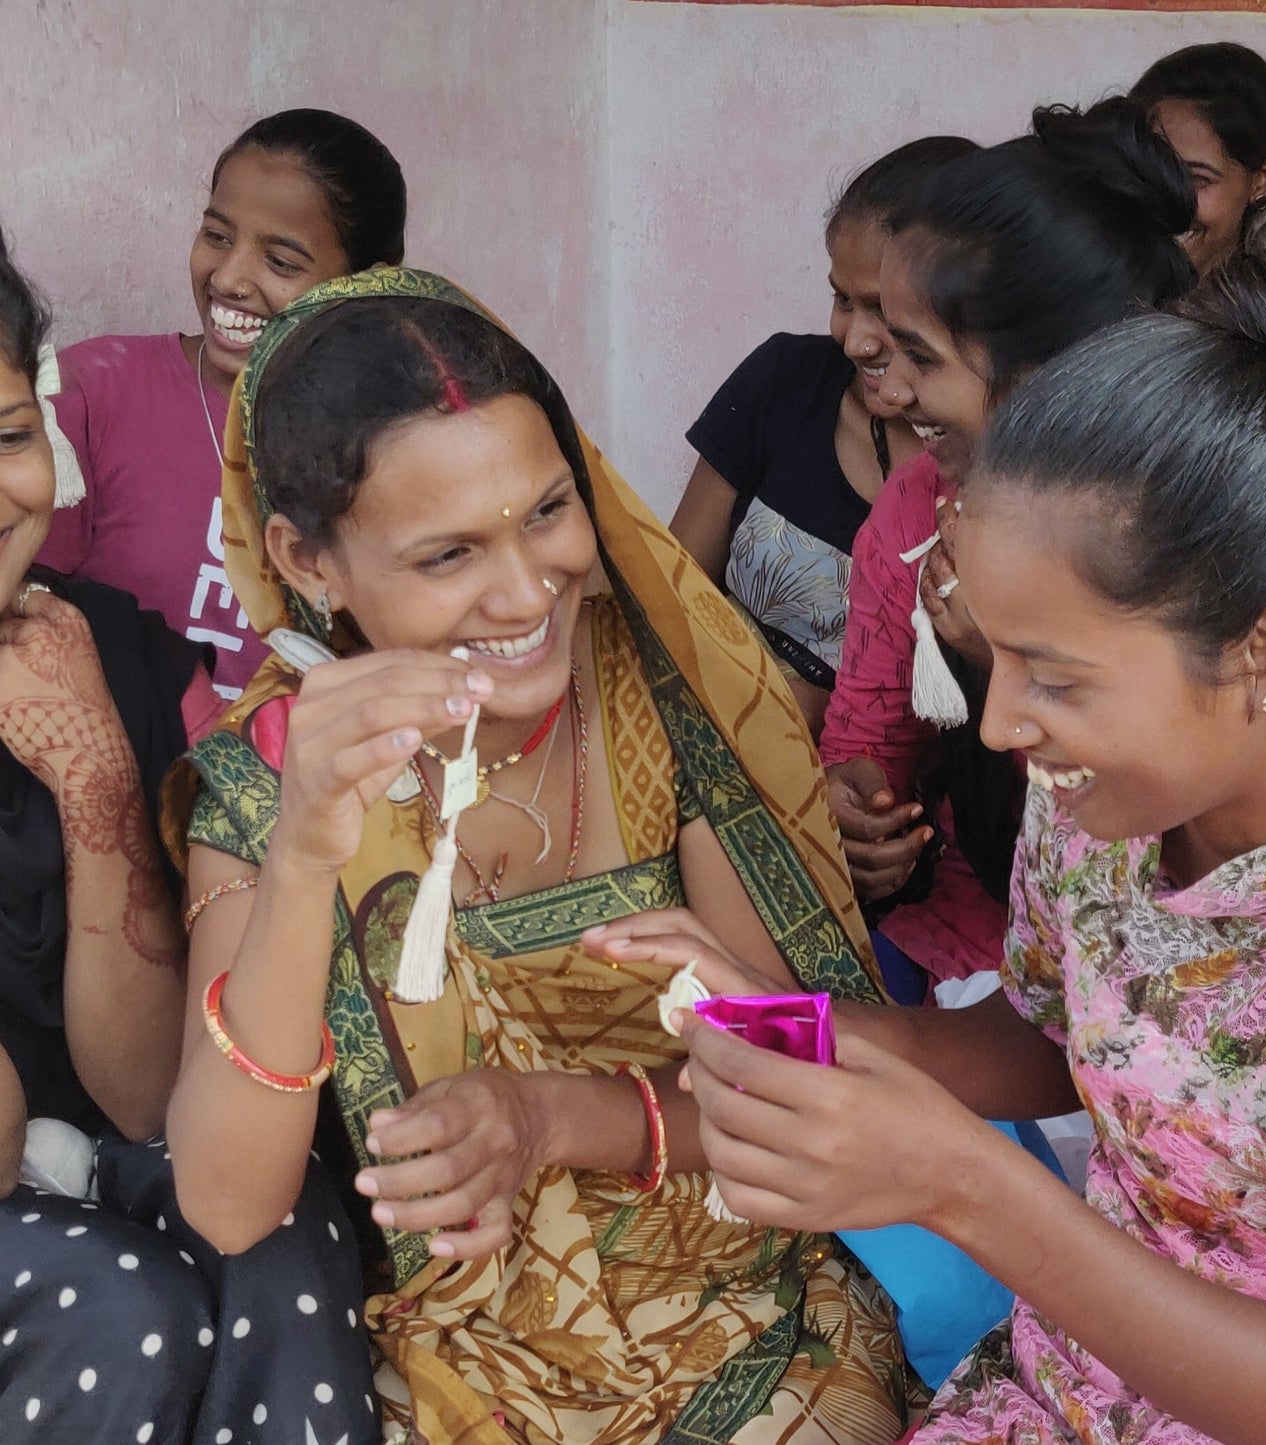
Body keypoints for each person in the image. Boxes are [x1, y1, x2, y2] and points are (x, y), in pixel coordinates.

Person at [631, 218, 1266, 1444]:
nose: (1002, 722)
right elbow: (1053, 1034)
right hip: (1064, 1391)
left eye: (1052, 675)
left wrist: (963, 1183)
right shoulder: (1104, 797)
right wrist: (800, 1027)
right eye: (992, 654)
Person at [164, 267, 910, 1445]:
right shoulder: (273, 776)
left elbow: (797, 1082)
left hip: (752, 1312)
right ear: (308, 563)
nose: (527, 588)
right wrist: (308, 853)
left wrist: (553, 1118)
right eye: (447, 554)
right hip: (461, 1358)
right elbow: (225, 1202)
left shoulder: (657, 691)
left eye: (548, 511)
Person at [0, 239, 375, 1443]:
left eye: (4, 436)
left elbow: (149, 1090)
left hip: (96, 1151)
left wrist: (95, 774)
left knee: (271, 1233)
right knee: (118, 1305)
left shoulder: (107, 647)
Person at [819, 100, 1195, 998]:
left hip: (1156, 973)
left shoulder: (1187, 532)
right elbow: (868, 740)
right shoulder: (918, 511)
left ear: (1045, 370)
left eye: (920, 354)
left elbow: (1162, 858)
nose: (890, 383)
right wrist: (858, 815)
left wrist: (992, 656)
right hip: (976, 944)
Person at [39, 108, 406, 699]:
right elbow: (27, 624)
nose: (230, 277)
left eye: (281, 262)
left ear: (363, 285)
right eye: (216, 235)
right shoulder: (94, 391)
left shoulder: (397, 439)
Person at [672, 137, 975, 736]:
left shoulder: (989, 465)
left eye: (885, 313)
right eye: (842, 299)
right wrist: (767, 710)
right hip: (714, 731)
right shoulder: (786, 382)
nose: (856, 339)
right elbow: (671, 590)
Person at [1130, 42, 1266, 274]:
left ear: (1262, 179)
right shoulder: (1086, 294)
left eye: (1197, 178)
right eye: (1146, 171)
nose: (1165, 200)